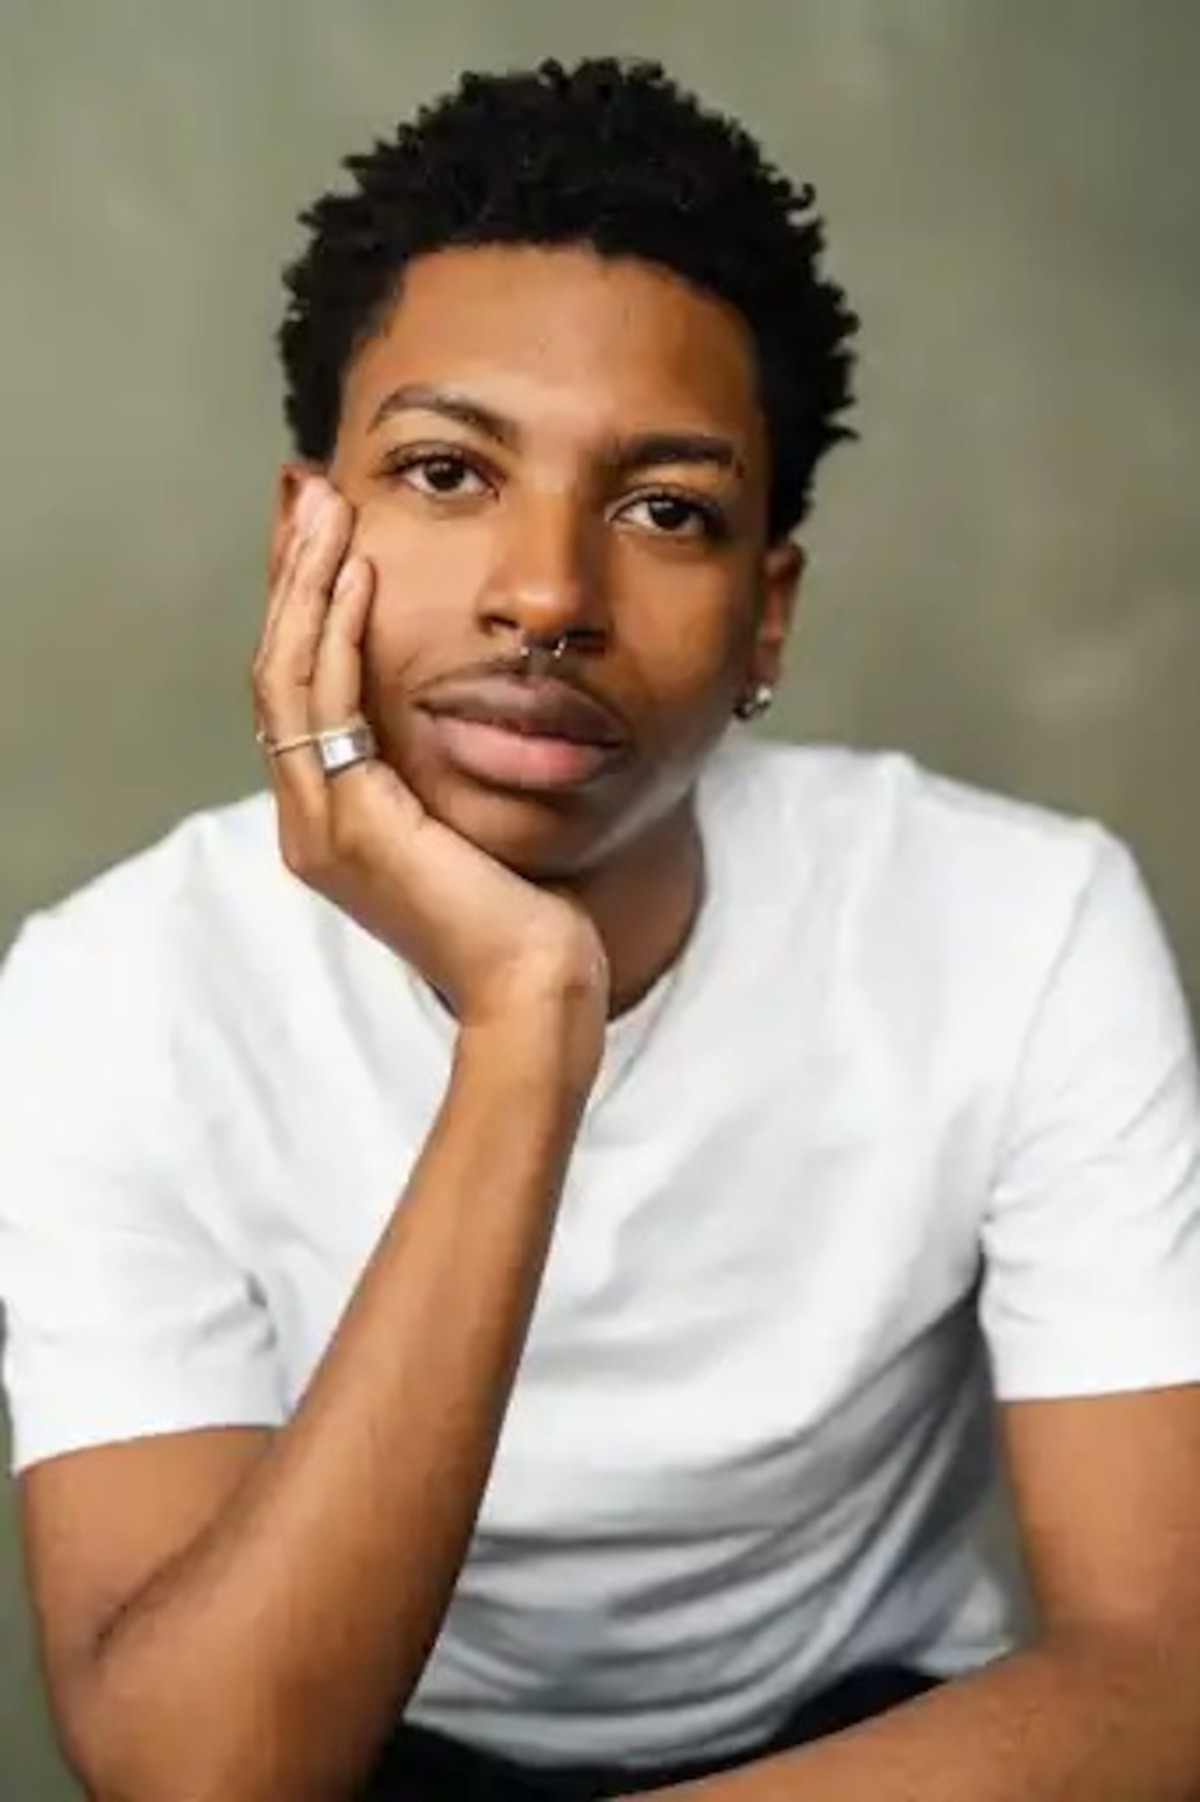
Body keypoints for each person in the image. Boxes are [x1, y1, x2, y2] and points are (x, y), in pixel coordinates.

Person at [2, 53, 1200, 1802]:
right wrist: (524, 1019)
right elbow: (205, 1773)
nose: (550, 592)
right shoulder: (101, 998)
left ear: (767, 611)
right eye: (443, 472)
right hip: (355, 1741)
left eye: (668, 511)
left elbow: (1162, 1680)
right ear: (302, 535)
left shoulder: (1023, 922)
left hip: (886, 1752)